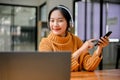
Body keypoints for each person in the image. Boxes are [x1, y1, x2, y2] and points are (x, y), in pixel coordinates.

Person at [39, 5, 109, 72]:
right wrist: (81, 49)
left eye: (60, 20)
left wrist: (100, 48)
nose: (55, 24)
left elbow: (89, 66)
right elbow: (55, 69)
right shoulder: (45, 43)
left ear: (69, 23)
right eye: (52, 20)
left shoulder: (76, 40)